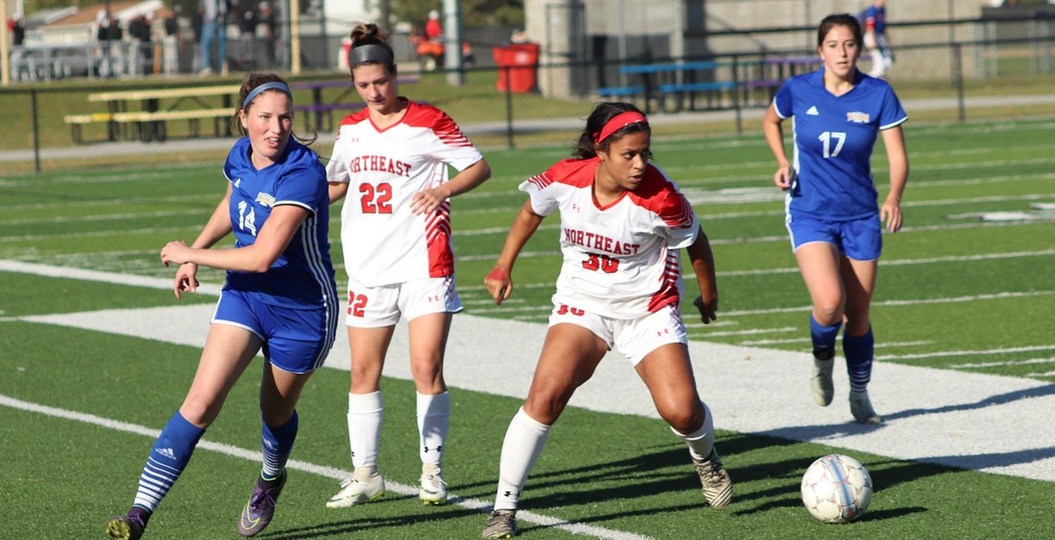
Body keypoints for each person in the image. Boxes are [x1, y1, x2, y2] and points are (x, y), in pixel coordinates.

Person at [480, 101, 732, 539]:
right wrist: (504, 265)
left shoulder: (661, 198)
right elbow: (529, 213)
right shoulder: (564, 178)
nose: (639, 164)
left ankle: (705, 459)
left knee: (682, 411)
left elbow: (696, 241)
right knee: (545, 396)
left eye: (645, 153)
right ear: (601, 151)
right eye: (628, 154)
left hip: (647, 311)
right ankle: (503, 509)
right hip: (584, 305)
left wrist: (708, 295)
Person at [105, 73, 338, 540]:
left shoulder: (304, 172)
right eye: (266, 117)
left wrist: (191, 255)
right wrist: (199, 246)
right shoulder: (239, 155)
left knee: (274, 413)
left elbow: (262, 255)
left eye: (286, 117)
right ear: (244, 118)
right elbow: (234, 198)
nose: (276, 127)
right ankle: (138, 514)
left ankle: (271, 477)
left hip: (303, 312)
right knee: (201, 401)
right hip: (246, 296)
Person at [324, 22, 491, 509]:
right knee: (362, 373)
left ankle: (432, 472)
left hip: (425, 265)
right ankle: (365, 474)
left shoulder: (429, 121)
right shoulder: (351, 129)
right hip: (368, 269)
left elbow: (479, 167)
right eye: (363, 85)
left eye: (381, 82)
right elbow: (337, 183)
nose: (374, 92)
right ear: (353, 83)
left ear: (395, 75)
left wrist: (441, 189)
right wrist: (294, 201)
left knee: (425, 368)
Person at [761, 13, 909, 425]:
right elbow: (771, 120)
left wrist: (894, 197)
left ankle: (859, 392)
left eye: (849, 44)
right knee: (829, 304)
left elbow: (898, 156)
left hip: (861, 215)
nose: (842, 53)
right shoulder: (799, 89)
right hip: (810, 212)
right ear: (820, 51)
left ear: (860, 49)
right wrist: (780, 163)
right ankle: (822, 359)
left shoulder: (877, 93)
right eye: (833, 45)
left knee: (858, 317)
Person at [862, 0, 892, 78]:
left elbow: (882, 27)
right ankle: (870, 80)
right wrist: (872, 39)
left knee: (888, 60)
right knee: (879, 62)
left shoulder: (882, 9)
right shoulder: (873, 9)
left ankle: (880, 80)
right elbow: (870, 26)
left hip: (880, 36)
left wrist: (887, 39)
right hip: (872, 35)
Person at [200, 0, 229, 76]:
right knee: (206, 43)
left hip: (221, 20)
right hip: (209, 20)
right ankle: (207, 66)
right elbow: (202, 7)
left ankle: (222, 66)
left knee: (222, 43)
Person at [162, 6, 181, 75]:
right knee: (169, 54)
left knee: (173, 54)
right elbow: (176, 31)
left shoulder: (171, 20)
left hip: (172, 37)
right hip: (169, 37)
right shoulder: (169, 20)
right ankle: (169, 68)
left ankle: (173, 68)